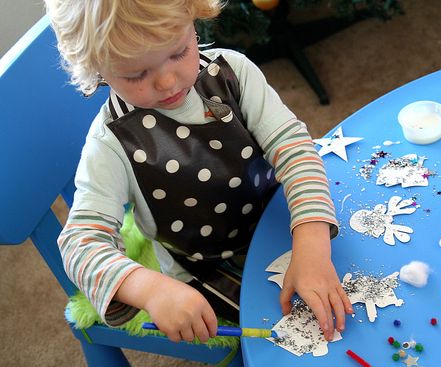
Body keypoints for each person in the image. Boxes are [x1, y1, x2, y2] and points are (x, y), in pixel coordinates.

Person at [44, 0, 352, 344]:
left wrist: (311, 241)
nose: (167, 81)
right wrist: (151, 290)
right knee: (296, 336)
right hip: (206, 264)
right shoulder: (110, 144)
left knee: (355, 280)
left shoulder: (233, 72)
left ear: (194, 19)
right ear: (96, 68)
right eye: (136, 74)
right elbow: (80, 245)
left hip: (280, 216)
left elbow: (295, 148)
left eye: (178, 52)